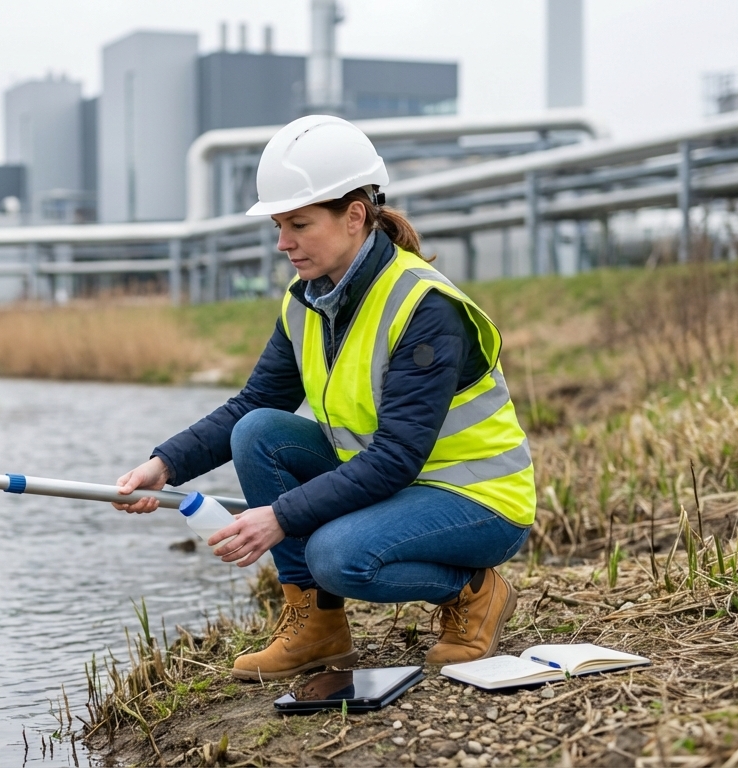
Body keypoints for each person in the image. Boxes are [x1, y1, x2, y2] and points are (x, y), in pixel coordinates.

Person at [114, 115, 535, 681]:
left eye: (299, 224)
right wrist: (164, 464)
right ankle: (317, 628)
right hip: (400, 485)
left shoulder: (425, 307)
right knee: (258, 432)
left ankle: (475, 591)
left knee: (335, 557)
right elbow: (250, 405)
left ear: (354, 216)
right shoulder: (305, 301)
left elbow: (395, 457)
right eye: (279, 225)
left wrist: (279, 518)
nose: (283, 242)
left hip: (477, 499)